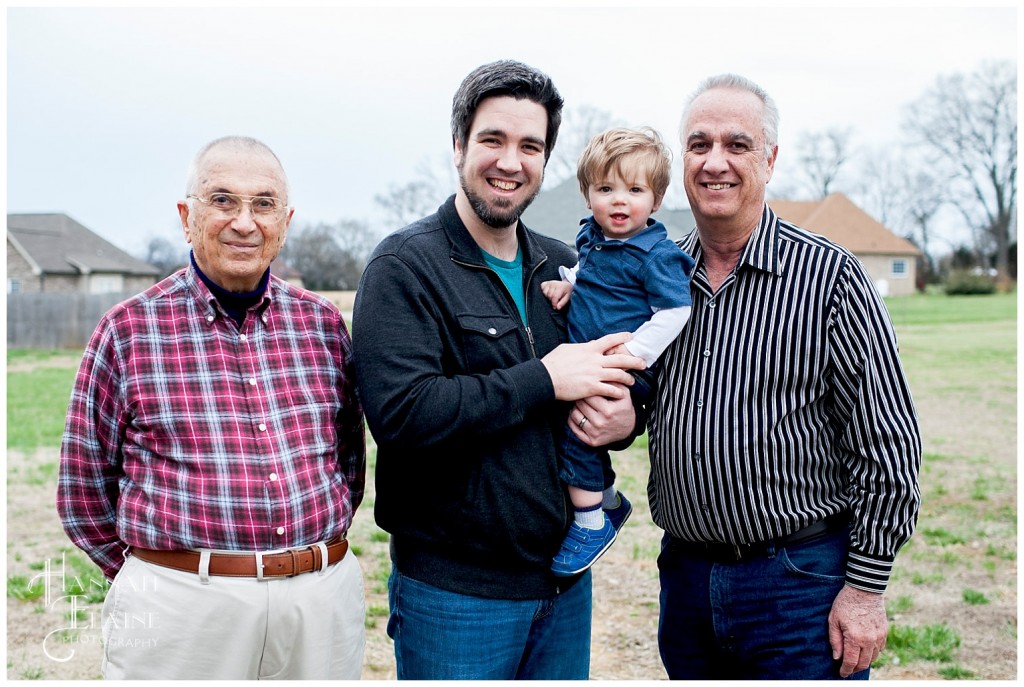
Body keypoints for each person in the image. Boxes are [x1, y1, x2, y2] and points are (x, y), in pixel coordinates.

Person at [352, 60, 645, 680]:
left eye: (530, 146)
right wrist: (544, 379)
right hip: (455, 597)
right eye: (493, 140)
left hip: (565, 584)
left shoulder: (570, 265)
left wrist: (631, 412)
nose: (510, 161)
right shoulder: (405, 267)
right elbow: (404, 415)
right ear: (459, 146)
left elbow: (631, 359)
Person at [57, 136, 367, 680]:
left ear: (285, 220)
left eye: (263, 204)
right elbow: (83, 492)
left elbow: (348, 459)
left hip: (319, 604)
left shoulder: (322, 324)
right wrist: (160, 579)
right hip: (181, 611)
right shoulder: (129, 330)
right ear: (186, 215)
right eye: (222, 200)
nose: (244, 222)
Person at [648, 73, 922, 680]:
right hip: (687, 583)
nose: (715, 162)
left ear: (770, 159)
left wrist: (866, 589)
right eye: (699, 145)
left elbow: (890, 445)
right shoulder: (661, 279)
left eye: (736, 145)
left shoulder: (830, 278)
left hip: (799, 585)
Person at [540, 127, 694, 577]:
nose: (619, 201)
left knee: (578, 431)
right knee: (562, 426)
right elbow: (588, 271)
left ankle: (592, 522)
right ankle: (604, 497)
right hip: (588, 358)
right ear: (588, 197)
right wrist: (567, 283)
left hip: (623, 363)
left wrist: (636, 353)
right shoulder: (592, 237)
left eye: (634, 189)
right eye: (605, 189)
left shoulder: (657, 255)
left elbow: (675, 311)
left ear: (657, 199)